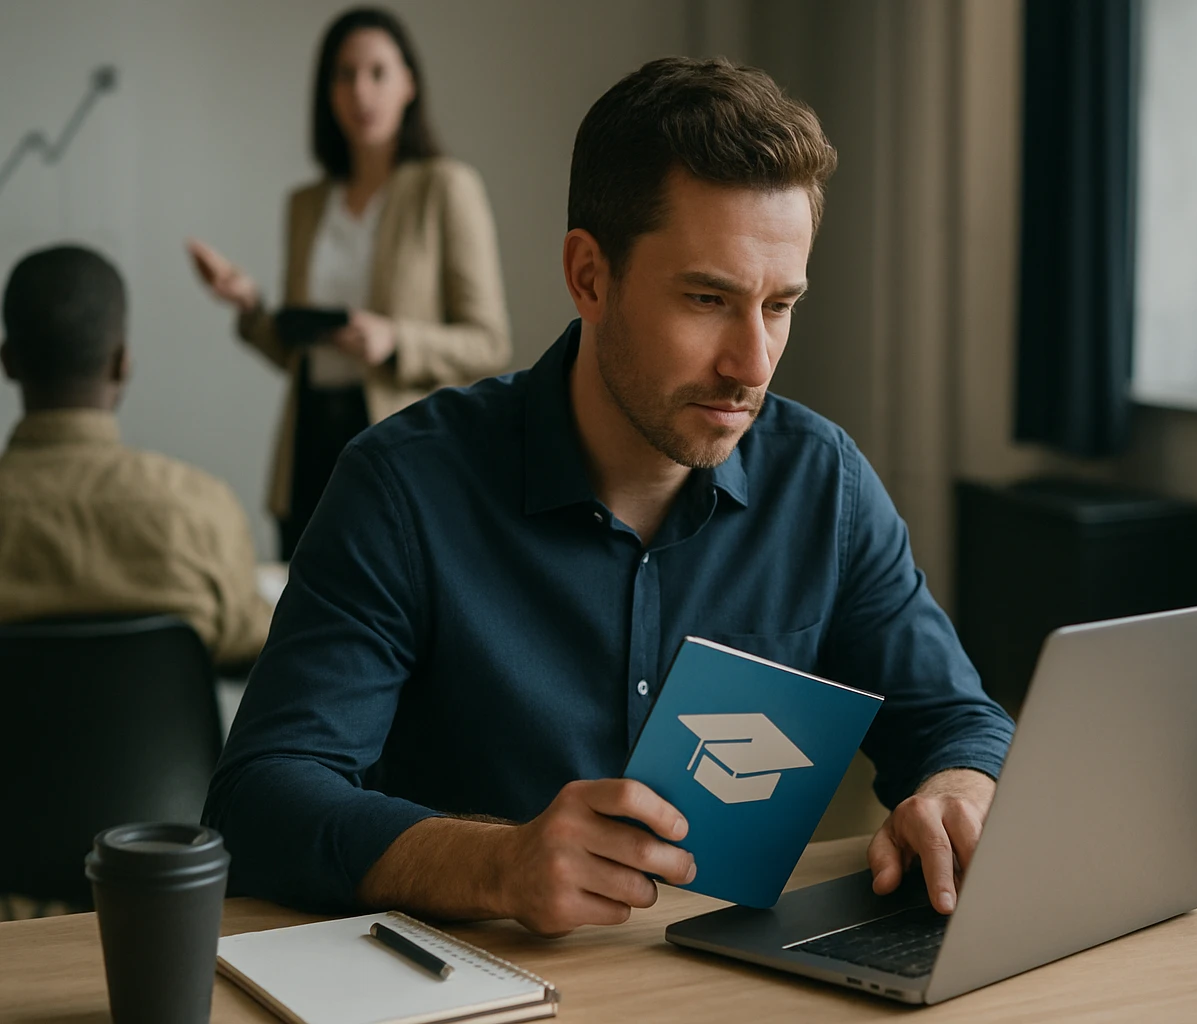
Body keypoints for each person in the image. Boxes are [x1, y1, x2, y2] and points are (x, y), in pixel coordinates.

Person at [204, 57, 1015, 935]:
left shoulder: (826, 488)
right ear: (589, 276)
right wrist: (494, 864)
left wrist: (957, 793)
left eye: (780, 305)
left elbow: (956, 722)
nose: (753, 364)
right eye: (708, 299)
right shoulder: (402, 490)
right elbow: (261, 798)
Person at [187, 6, 510, 559]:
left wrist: (395, 340)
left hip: (403, 444)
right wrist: (251, 306)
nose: (362, 91)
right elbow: (298, 356)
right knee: (305, 615)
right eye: (345, 74)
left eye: (378, 72)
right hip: (310, 442)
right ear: (327, 90)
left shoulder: (445, 187)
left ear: (409, 83)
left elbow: (490, 341)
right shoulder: (307, 205)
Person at [0, 245, 271, 671]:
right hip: (170, 740)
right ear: (122, 364)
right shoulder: (199, 509)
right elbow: (262, 643)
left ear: (8, 362)